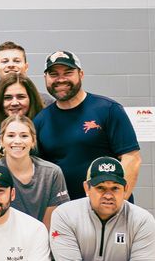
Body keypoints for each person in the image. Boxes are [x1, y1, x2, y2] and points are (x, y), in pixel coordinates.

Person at [34, 50, 141, 200]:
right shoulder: (41, 120)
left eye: (68, 73)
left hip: (109, 206)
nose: (61, 79)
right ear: (45, 78)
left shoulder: (108, 109)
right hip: (65, 209)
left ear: (81, 74)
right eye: (54, 74)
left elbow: (132, 159)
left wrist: (117, 201)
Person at [0, 118, 67, 228]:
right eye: (11, 135)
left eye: (24, 136)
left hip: (41, 235)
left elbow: (50, 224)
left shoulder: (52, 173)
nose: (17, 141)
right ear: (1, 140)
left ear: (33, 141)